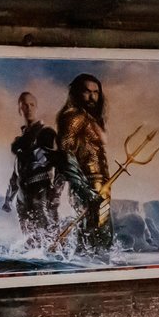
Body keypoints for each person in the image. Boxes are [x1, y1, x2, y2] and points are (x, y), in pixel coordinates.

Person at [56, 73, 113, 255]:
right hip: (89, 182)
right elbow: (65, 153)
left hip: (99, 182)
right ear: (76, 93)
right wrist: (82, 188)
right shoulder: (75, 117)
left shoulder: (90, 118)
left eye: (96, 92)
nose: (92, 97)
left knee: (96, 230)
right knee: (98, 231)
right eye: (87, 92)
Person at [2, 92, 62, 248]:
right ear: (19, 108)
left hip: (41, 194)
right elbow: (17, 172)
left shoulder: (47, 134)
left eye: (31, 105)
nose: (28, 108)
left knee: (49, 239)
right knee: (30, 243)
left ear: (36, 107)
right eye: (24, 105)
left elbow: (61, 165)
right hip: (22, 198)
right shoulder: (20, 141)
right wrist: (8, 199)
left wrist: (55, 195)